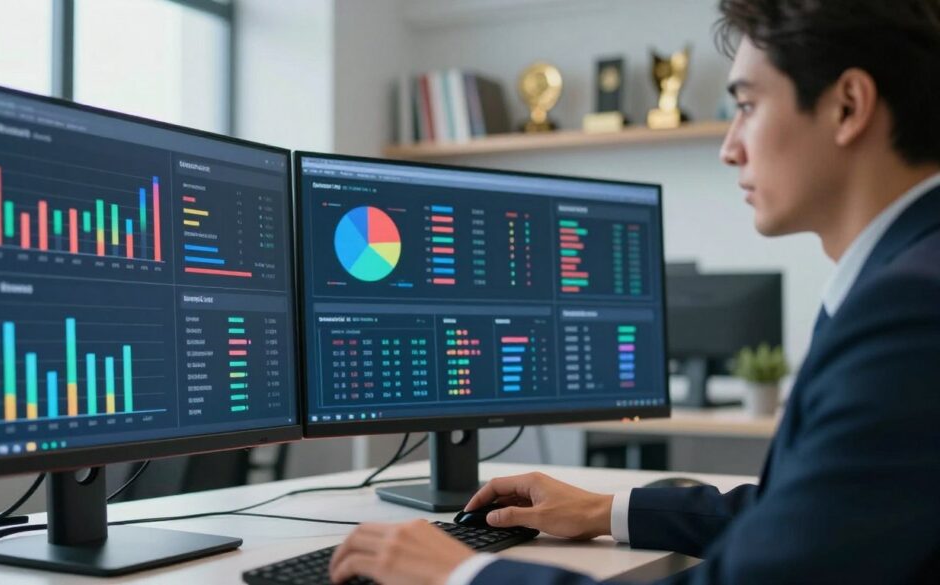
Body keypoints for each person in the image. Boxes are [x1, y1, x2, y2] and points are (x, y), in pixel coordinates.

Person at [328, 0, 940, 583]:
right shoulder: (905, 281)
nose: (729, 148)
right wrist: (606, 509)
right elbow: (804, 517)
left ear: (848, 106)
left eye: (748, 106)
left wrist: (461, 573)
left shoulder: (907, 313)